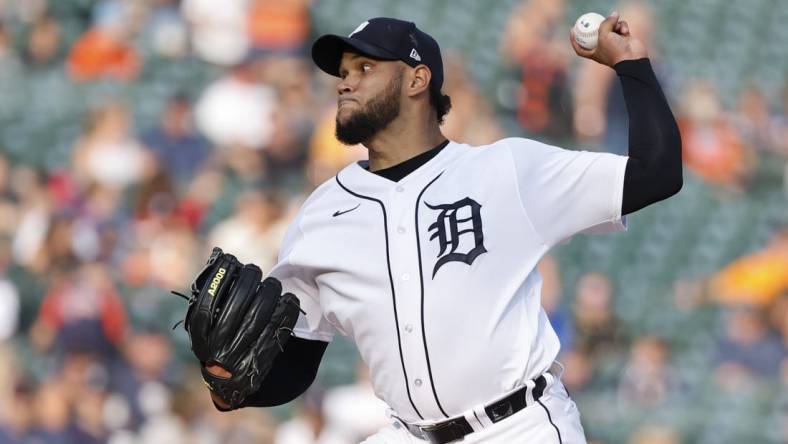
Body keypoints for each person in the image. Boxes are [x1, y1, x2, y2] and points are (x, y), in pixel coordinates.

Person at [201, 14, 682, 444]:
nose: (345, 83)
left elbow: (657, 172)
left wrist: (631, 64)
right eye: (343, 72)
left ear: (417, 79)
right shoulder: (319, 215)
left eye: (365, 68)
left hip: (517, 427)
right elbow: (297, 359)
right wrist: (228, 386)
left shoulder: (506, 169)